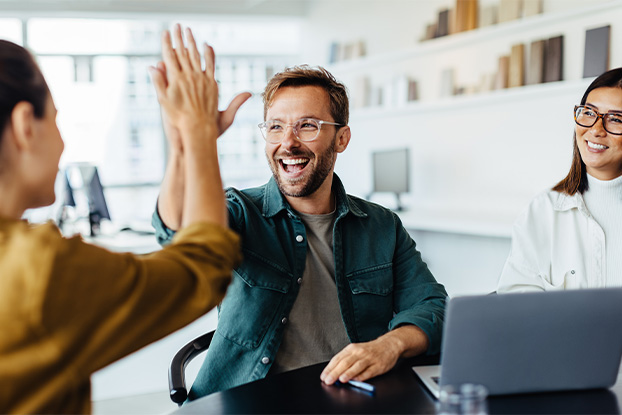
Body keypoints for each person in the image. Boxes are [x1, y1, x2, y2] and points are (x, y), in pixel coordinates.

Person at [153, 64, 448, 399]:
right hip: (247, 401)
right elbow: (175, 231)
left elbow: (434, 306)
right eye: (276, 127)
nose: (288, 143)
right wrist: (185, 143)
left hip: (348, 399)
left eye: (307, 126)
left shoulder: (382, 225)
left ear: (341, 139)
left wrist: (390, 345)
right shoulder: (239, 213)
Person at [0, 25, 249, 414]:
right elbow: (202, 265)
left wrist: (186, 145)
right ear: (24, 126)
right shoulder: (36, 269)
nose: (63, 142)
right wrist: (198, 132)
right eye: (56, 120)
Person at [497, 67, 622, 293]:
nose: (595, 129)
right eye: (589, 113)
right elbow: (517, 304)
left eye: (615, 119)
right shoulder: (542, 211)